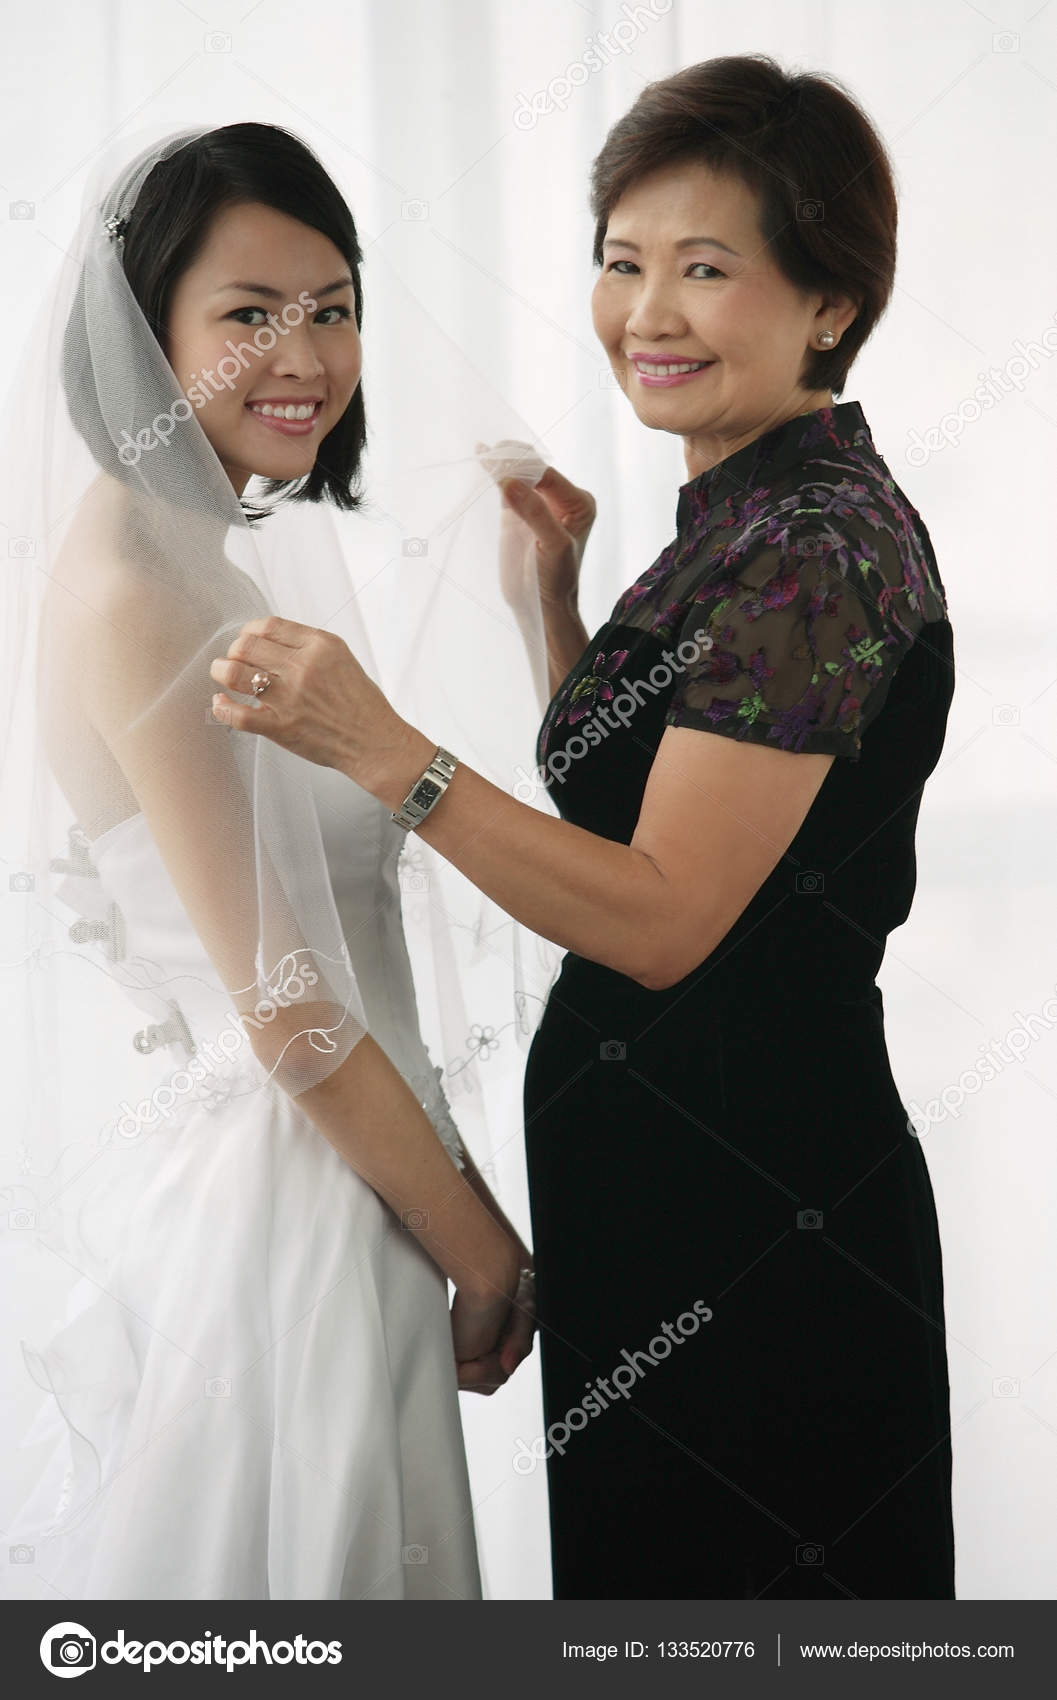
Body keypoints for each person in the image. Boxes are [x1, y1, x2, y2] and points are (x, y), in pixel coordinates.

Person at [214, 55, 958, 1602]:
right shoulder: (744, 511)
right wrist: (551, 605)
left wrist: (384, 750)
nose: (647, 314)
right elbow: (655, 820)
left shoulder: (811, 548)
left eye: (706, 269)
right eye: (622, 263)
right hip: (665, 1201)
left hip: (756, 1221)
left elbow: (664, 916)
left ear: (829, 300)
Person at [0, 122, 539, 1602]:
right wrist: (484, 1250)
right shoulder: (134, 589)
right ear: (140, 332)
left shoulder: (215, 560)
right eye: (248, 314)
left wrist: (543, 601)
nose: (304, 354)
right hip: (287, 1209)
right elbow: (293, 1008)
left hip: (356, 1183)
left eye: (332, 306)